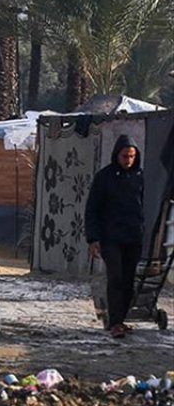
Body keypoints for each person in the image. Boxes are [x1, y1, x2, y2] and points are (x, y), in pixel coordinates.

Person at [85, 135, 146, 339]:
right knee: (116, 277)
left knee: (129, 280)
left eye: (131, 156)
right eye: (124, 156)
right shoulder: (105, 177)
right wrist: (93, 239)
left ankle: (121, 319)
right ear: (116, 155)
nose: (128, 160)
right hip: (110, 237)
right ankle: (115, 322)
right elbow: (92, 209)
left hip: (133, 237)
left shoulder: (139, 176)